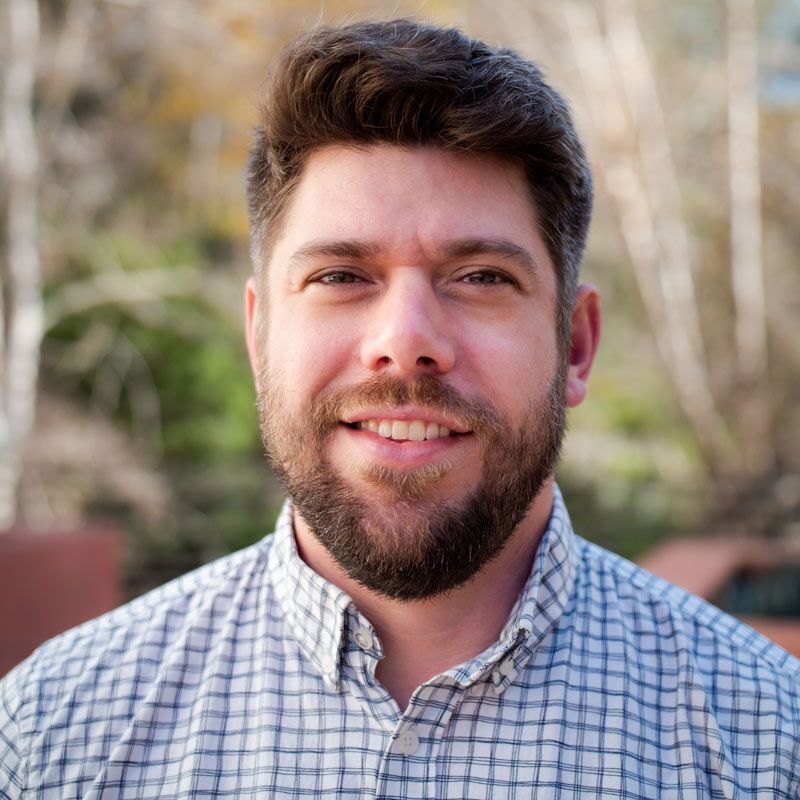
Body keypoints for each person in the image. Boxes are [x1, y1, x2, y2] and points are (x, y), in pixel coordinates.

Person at [1, 18, 798, 799]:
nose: (406, 342)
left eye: (481, 277)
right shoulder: (49, 735)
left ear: (576, 347)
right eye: (340, 276)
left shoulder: (772, 741)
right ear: (258, 338)